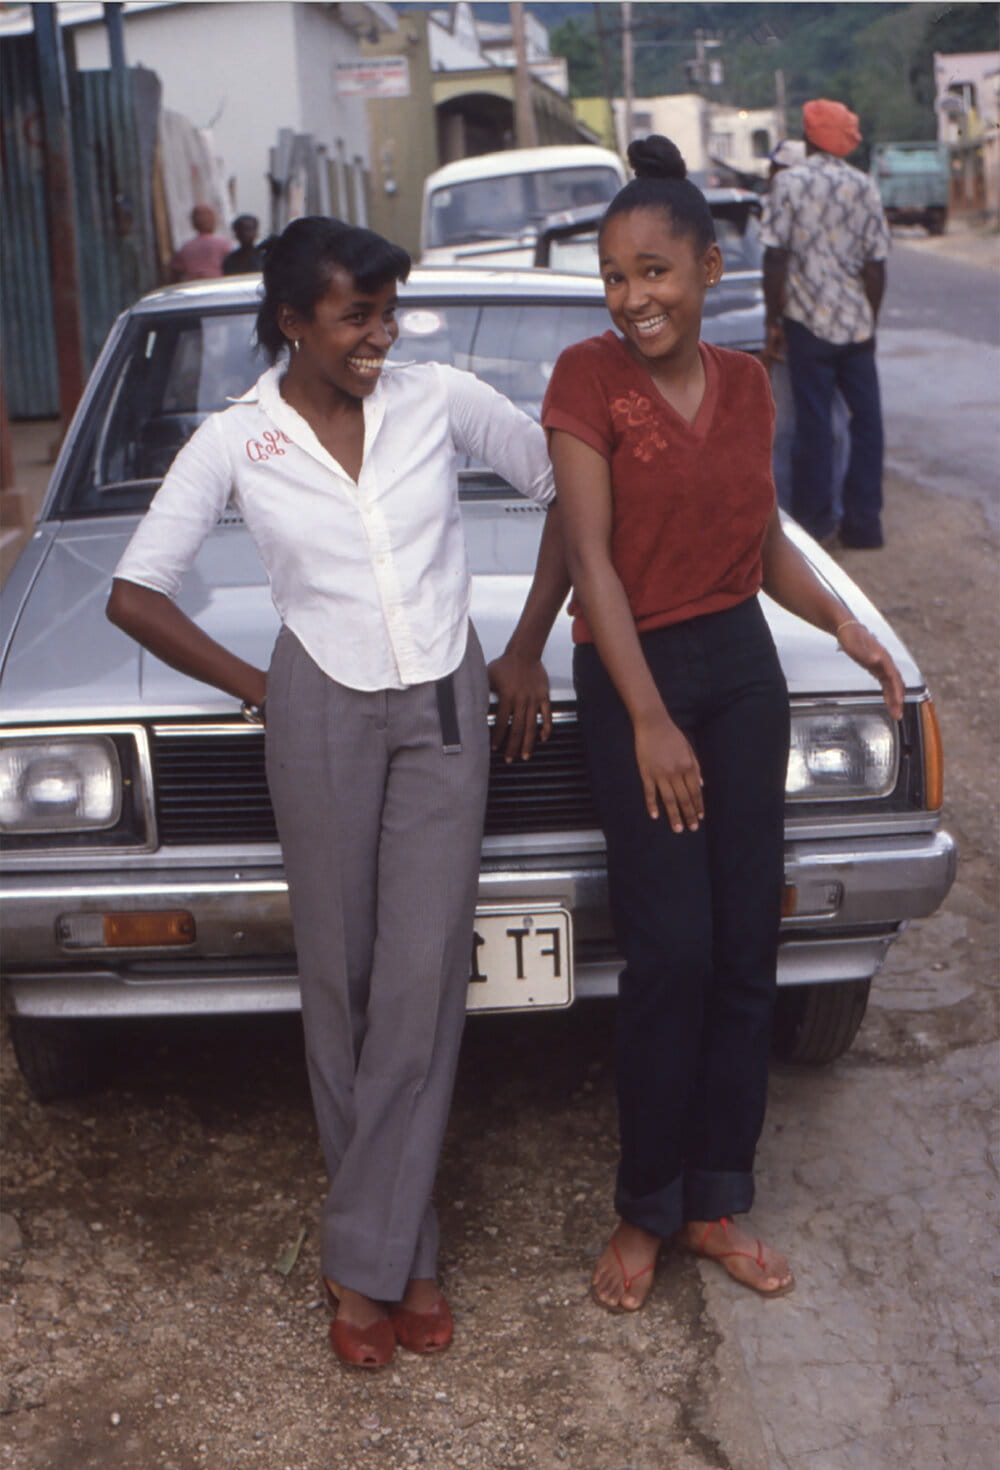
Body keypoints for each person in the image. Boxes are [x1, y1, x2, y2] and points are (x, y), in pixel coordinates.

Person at [107, 216, 562, 1369]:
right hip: (317, 703)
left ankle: (373, 1258)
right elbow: (136, 592)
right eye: (355, 315)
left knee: (419, 979)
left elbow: (572, 487)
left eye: (386, 312)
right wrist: (263, 686)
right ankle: (400, 1252)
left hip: (444, 705)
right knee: (341, 978)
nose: (380, 336)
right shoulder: (236, 441)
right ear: (291, 322)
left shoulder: (440, 398)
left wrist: (522, 649)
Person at [518, 135, 903, 1311]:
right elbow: (589, 552)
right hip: (635, 668)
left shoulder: (745, 383)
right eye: (614, 276)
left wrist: (844, 625)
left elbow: (764, 540)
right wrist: (643, 716)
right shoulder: (586, 379)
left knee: (746, 947)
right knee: (670, 951)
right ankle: (643, 1206)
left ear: (709, 264)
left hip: (739, 669)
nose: (632, 297)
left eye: (654, 272)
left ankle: (712, 1201)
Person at [760, 99, 892, 549]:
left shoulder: (789, 184)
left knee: (814, 426)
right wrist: (868, 321)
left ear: (809, 134)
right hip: (856, 325)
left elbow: (774, 258)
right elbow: (876, 266)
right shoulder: (864, 185)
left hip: (805, 324)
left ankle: (814, 526)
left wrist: (773, 320)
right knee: (867, 423)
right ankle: (864, 525)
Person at [169, 204, 233, 282]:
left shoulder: (185, 247)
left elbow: (175, 273)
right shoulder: (224, 244)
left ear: (194, 223)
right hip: (217, 286)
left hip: (194, 287)